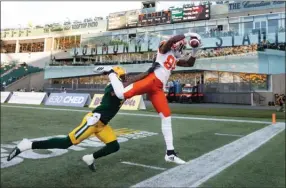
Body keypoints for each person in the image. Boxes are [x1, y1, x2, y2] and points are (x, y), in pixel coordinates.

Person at [7, 66, 151, 172]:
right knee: (66, 143)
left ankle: (90, 157)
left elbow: (130, 82)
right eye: (124, 77)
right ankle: (28, 144)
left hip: (102, 125)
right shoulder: (113, 88)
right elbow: (126, 84)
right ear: (118, 78)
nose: (126, 79)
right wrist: (146, 73)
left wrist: (148, 73)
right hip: (93, 121)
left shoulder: (119, 85)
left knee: (114, 146)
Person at [95, 32, 202, 164]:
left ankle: (170, 153)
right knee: (121, 94)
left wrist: (195, 50)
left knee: (166, 116)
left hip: (158, 88)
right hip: (151, 81)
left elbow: (189, 64)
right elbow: (169, 43)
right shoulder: (163, 50)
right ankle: (111, 72)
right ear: (174, 45)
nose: (181, 49)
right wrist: (187, 34)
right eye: (180, 46)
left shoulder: (174, 58)